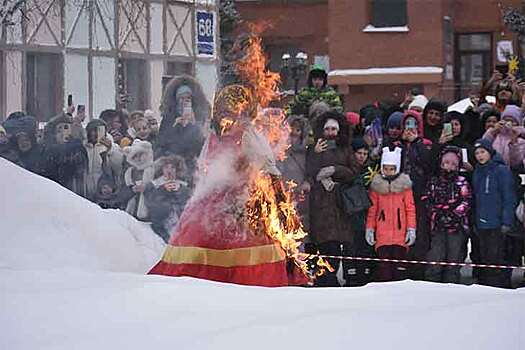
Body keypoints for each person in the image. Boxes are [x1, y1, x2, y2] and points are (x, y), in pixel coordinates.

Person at [149, 84, 307, 287]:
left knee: (249, 243)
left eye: (234, 111)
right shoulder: (214, 135)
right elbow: (205, 165)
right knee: (197, 234)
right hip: (213, 197)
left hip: (243, 199)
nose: (229, 117)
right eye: (225, 111)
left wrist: (276, 196)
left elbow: (268, 166)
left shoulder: (248, 134)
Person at [306, 111, 359, 287]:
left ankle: (334, 280)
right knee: (325, 247)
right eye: (327, 128)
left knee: (338, 247)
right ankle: (327, 281)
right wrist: (315, 155)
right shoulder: (314, 148)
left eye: (333, 129)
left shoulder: (346, 149)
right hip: (320, 205)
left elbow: (353, 173)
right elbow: (309, 174)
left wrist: (335, 170)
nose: (330, 132)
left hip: (341, 204)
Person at [422, 146, 472, 283]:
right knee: (435, 257)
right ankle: (432, 283)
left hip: (456, 227)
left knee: (454, 258)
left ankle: (452, 285)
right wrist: (436, 215)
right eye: (446, 163)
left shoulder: (461, 181)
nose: (449, 167)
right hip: (438, 226)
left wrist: (454, 215)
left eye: (453, 164)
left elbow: (466, 201)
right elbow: (427, 200)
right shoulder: (434, 181)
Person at [366, 147, 416, 282]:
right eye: (386, 168)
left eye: (392, 169)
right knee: (384, 269)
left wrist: (411, 229)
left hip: (400, 235)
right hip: (382, 235)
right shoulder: (377, 187)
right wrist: (370, 229)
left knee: (399, 268)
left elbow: (410, 209)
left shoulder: (404, 187)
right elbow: (372, 210)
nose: (388, 172)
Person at [472, 139, 516, 288]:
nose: (480, 156)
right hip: (481, 223)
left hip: (497, 223)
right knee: (485, 258)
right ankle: (487, 287)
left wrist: (506, 221)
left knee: (497, 258)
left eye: (482, 152)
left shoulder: (501, 170)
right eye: (477, 153)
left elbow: (509, 197)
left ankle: (498, 287)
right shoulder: (477, 171)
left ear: (490, 152)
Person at [156, 76, 209, 179]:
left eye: (187, 98)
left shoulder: (199, 119)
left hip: (193, 169)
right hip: (172, 169)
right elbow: (161, 144)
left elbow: (203, 147)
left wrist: (194, 125)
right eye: (181, 98)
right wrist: (175, 127)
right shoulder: (168, 119)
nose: (184, 101)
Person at [347, 138, 377, 286]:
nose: (362, 156)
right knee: (351, 247)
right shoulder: (347, 169)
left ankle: (365, 273)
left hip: (366, 213)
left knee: (365, 246)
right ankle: (350, 275)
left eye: (365, 153)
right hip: (350, 213)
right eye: (359, 153)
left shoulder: (370, 170)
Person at [145, 155, 190, 242]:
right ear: (161, 169)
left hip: (181, 225)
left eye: (172, 167)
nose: (169, 170)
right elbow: (150, 204)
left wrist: (180, 191)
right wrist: (163, 190)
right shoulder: (154, 185)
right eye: (166, 167)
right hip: (161, 226)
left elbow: (188, 204)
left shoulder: (184, 185)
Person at [277, 115, 310, 231]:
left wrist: (307, 183)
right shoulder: (279, 151)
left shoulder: (308, 152)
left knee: (302, 231)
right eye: (291, 129)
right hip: (284, 198)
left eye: (297, 129)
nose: (294, 133)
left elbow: (312, 172)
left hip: (303, 198)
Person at [42, 113, 88, 196]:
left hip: (75, 196)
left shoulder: (78, 149)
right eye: (59, 131)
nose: (63, 133)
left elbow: (76, 168)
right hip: (54, 195)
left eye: (66, 129)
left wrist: (76, 138)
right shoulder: (49, 151)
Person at [84, 119, 123, 200]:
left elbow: (118, 167)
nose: (95, 134)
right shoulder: (83, 147)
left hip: (104, 192)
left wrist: (110, 149)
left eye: (98, 130)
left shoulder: (112, 146)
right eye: (93, 131)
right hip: (86, 191)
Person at [482, 104, 525, 169]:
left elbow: (516, 162)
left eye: (512, 121)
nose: (508, 123)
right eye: (506, 120)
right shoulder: (495, 135)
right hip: (491, 170)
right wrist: (493, 132)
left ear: (517, 123)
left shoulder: (520, 141)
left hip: (508, 173)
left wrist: (514, 142)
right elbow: (483, 145)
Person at [122, 139, 155, 221]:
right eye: (135, 156)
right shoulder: (129, 172)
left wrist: (147, 188)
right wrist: (132, 190)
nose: (138, 158)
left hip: (150, 212)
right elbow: (122, 193)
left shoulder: (155, 169)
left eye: (141, 154)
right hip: (132, 212)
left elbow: (160, 189)